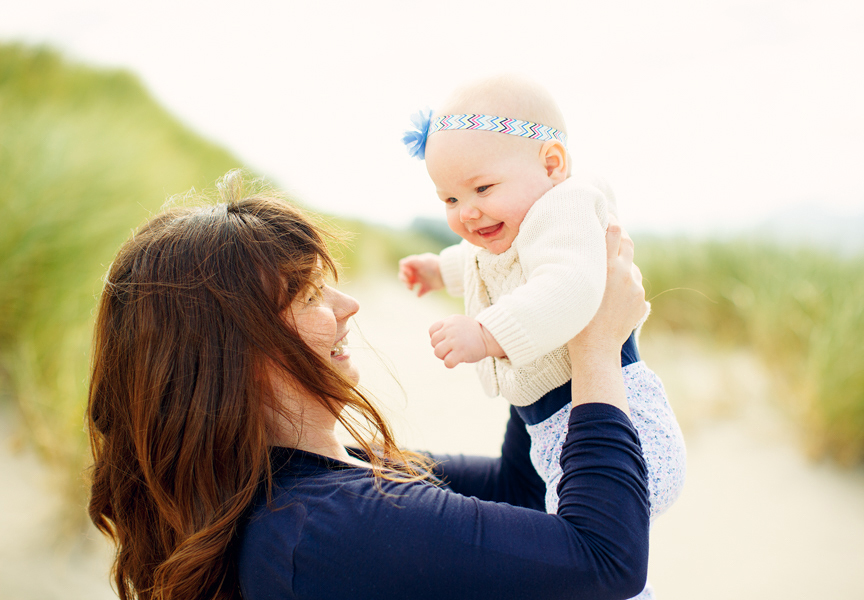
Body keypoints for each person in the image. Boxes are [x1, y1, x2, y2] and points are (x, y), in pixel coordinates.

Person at [87, 170, 652, 600]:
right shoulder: (330, 526)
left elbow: (520, 487)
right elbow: (607, 560)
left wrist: (536, 320)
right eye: (308, 296)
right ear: (229, 357)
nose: (347, 305)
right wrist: (597, 346)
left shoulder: (327, 478)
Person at [399, 75, 686, 599]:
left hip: (625, 437)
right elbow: (484, 263)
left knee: (588, 566)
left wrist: (486, 333)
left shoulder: (566, 208)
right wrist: (439, 270)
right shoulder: (519, 224)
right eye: (450, 198)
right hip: (558, 439)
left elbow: (569, 289)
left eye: (482, 188)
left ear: (552, 164)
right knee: (570, 560)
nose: (466, 211)